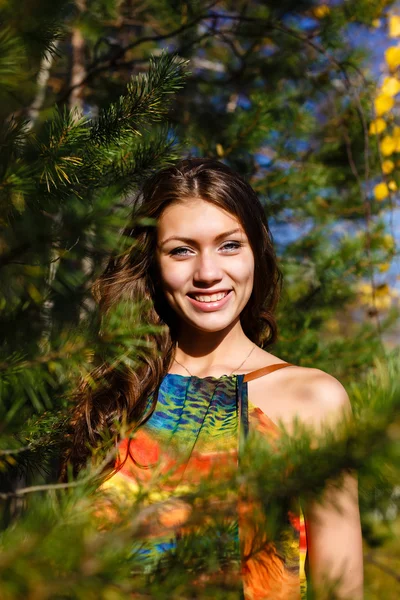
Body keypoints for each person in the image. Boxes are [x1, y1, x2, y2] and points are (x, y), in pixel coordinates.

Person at [67, 158, 363, 599]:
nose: (207, 272)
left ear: (256, 254)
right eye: (182, 250)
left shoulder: (313, 398)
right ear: (152, 263)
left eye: (229, 245)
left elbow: (342, 591)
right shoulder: (109, 394)